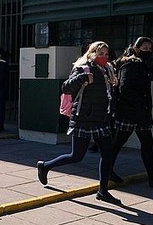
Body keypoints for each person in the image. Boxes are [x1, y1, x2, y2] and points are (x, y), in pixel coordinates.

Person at [37, 41, 122, 204]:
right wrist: (82, 78)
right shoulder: (83, 68)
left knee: (107, 153)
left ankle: (103, 191)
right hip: (83, 118)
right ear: (91, 54)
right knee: (76, 156)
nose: (104, 57)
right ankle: (45, 166)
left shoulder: (107, 69)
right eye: (100, 53)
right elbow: (66, 87)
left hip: (101, 119)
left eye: (106, 54)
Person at [109, 37, 153, 188]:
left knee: (143, 142)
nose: (148, 51)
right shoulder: (131, 64)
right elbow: (124, 88)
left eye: (150, 49)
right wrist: (139, 103)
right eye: (145, 48)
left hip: (138, 112)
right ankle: (107, 170)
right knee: (120, 142)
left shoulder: (139, 64)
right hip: (131, 112)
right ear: (136, 48)